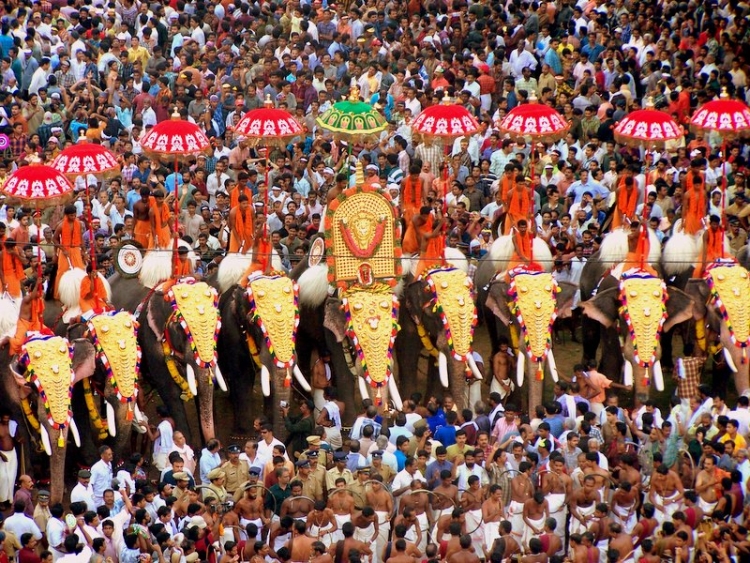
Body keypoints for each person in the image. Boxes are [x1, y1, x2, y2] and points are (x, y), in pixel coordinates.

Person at [53, 205, 85, 299]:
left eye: (74, 215)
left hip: (76, 250)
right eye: (71, 215)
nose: (73, 217)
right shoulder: (61, 225)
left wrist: (84, 251)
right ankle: (60, 295)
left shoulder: (78, 223)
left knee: (80, 271)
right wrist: (63, 250)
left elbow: (80, 238)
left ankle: (79, 293)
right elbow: (54, 239)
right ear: (66, 215)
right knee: (62, 272)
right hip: (64, 251)